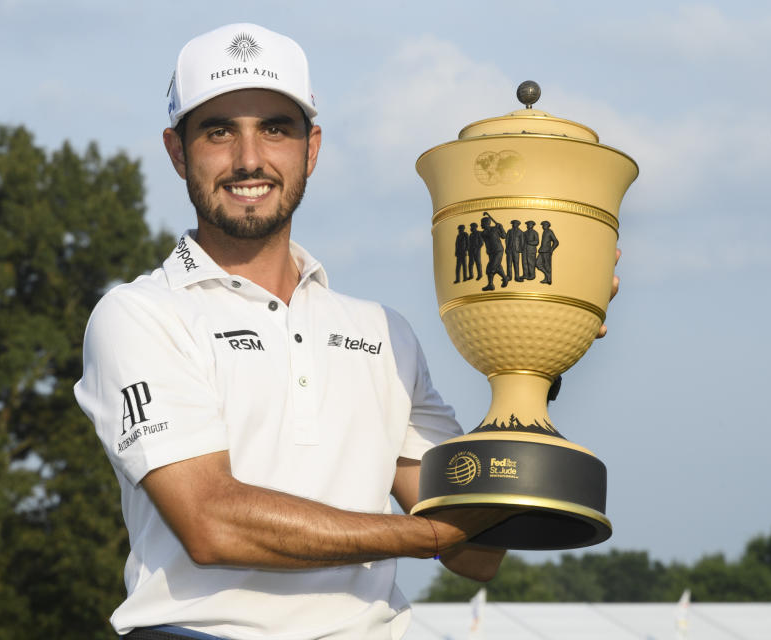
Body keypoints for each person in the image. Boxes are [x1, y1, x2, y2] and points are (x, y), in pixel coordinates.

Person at [74, 23, 511, 640]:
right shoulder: (140, 314)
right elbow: (213, 523)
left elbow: (479, 551)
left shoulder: (383, 332)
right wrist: (429, 537)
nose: (249, 158)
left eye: (275, 128)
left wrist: (534, 364)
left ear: (311, 148)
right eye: (219, 130)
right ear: (178, 151)